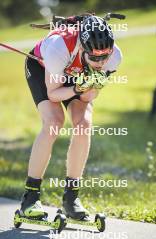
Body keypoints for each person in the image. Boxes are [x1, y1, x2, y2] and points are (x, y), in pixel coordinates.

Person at [20, 15, 122, 220]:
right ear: (83, 47)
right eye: (94, 58)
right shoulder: (59, 47)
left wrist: (90, 85)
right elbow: (53, 94)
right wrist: (77, 86)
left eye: (104, 58)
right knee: (53, 123)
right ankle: (30, 197)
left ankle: (71, 198)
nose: (100, 63)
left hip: (75, 74)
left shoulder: (114, 56)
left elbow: (89, 97)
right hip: (44, 70)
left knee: (84, 125)